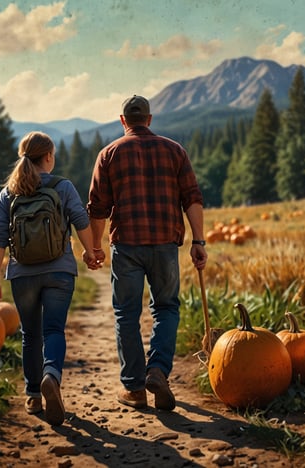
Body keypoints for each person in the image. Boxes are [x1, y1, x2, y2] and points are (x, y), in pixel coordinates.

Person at [87, 95, 208, 411]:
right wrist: (199, 241)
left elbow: (97, 208)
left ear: (123, 120)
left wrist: (96, 247)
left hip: (126, 246)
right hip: (165, 245)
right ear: (150, 120)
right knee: (166, 308)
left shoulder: (108, 154)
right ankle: (157, 370)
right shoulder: (174, 151)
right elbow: (192, 198)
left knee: (127, 313)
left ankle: (135, 389)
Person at [0, 131, 101, 426]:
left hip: (22, 274)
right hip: (59, 271)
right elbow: (80, 220)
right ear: (48, 157)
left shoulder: (8, 193)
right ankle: (52, 375)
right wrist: (91, 253)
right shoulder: (62, 186)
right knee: (53, 330)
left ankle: (34, 395)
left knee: (30, 335)